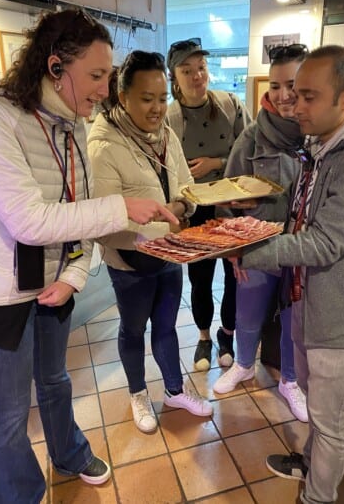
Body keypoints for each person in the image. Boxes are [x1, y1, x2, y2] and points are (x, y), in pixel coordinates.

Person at [0, 9, 178, 504]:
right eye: (96, 75)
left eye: (108, 76)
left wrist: (71, 275)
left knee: (55, 379)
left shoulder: (73, 127)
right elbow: (30, 219)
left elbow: (79, 216)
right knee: (8, 412)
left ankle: (68, 451)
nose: (105, 90)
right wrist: (122, 208)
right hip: (0, 293)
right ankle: (20, 494)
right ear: (54, 68)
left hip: (54, 286)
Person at [237, 45, 344, 504]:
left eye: (308, 97)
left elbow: (325, 241)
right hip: (309, 296)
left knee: (329, 419)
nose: (294, 106)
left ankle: (317, 497)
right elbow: (301, 218)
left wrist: (245, 250)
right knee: (309, 392)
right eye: (293, 94)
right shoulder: (324, 141)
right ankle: (309, 463)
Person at [87, 51, 213, 434]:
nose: (157, 108)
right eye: (146, 99)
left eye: (162, 98)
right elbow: (105, 221)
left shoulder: (166, 134)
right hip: (130, 261)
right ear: (123, 97)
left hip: (169, 254)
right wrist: (168, 217)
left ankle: (174, 389)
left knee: (166, 325)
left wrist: (179, 206)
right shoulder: (103, 144)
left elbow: (185, 190)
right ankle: (138, 393)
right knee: (133, 329)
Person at [213, 44, 308, 422]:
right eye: (275, 85)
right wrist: (235, 250)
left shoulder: (317, 135)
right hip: (257, 248)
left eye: (293, 85)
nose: (284, 95)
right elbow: (226, 194)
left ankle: (290, 380)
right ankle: (243, 365)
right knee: (247, 313)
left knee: (294, 320)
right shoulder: (252, 138)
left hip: (303, 250)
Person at [166, 37, 252, 371]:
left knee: (234, 274)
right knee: (199, 277)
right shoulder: (170, 117)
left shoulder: (230, 104)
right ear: (175, 76)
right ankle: (203, 337)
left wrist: (215, 163)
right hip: (194, 208)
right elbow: (165, 166)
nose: (196, 76)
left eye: (200, 68)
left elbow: (247, 153)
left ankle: (226, 334)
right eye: (187, 70)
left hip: (231, 204)